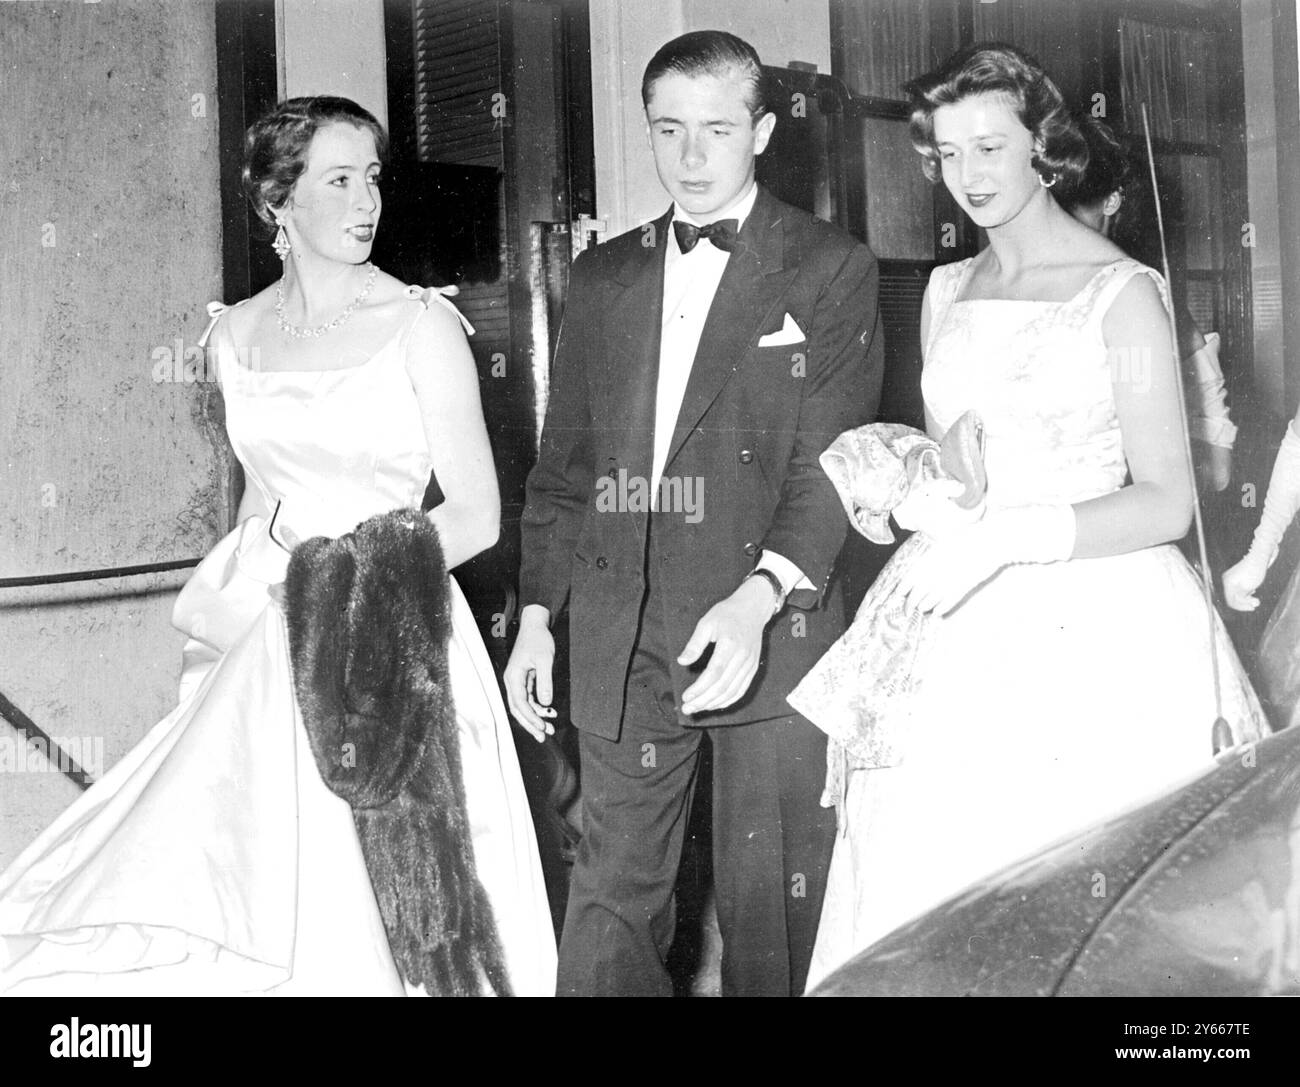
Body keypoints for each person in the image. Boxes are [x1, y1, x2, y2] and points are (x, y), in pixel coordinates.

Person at [0, 96, 556, 995]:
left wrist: (345, 596)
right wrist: (240, 622)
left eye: (371, 178)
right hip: (272, 633)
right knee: (232, 875)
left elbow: (480, 515)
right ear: (277, 203)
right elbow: (260, 499)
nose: (364, 201)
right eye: (337, 180)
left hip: (395, 631)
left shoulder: (422, 327)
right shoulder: (234, 334)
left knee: (407, 893)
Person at [791, 43, 1267, 992]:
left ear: (1043, 149)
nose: (970, 175)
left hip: (1096, 615)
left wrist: (1010, 536)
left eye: (992, 147)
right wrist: (920, 492)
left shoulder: (1124, 295)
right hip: (956, 621)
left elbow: (1168, 500)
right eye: (951, 153)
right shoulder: (943, 291)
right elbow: (957, 460)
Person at [503, 30, 883, 997]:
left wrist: (759, 599)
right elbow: (564, 470)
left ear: (761, 131)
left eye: (717, 129)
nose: (691, 156)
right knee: (610, 908)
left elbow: (828, 469)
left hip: (774, 623)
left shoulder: (830, 268)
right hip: (623, 628)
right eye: (669, 130)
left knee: (773, 920)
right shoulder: (603, 276)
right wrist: (540, 613)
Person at [1054, 115, 1236, 494]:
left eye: (1075, 204)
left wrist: (1213, 454)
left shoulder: (1137, 293)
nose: (1060, 221)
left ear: (1112, 201)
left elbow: (1204, 386)